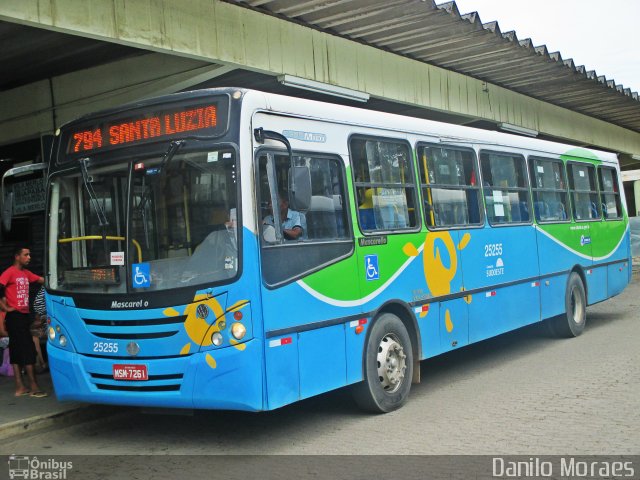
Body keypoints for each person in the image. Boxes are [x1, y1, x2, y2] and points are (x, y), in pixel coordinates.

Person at [0, 247, 47, 397]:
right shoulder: (9, 272)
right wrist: (5, 307)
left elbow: (42, 281)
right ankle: (33, 386)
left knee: (17, 350)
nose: (29, 257)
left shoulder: (26, 274)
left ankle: (20, 387)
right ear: (17, 256)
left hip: (24, 316)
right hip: (15, 317)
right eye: (26, 255)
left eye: (30, 255)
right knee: (27, 350)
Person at [31, 286, 48, 373]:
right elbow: (38, 320)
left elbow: (42, 319)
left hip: (52, 327)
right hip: (44, 327)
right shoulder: (42, 293)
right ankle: (41, 363)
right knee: (34, 336)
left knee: (34, 336)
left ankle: (41, 363)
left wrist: (40, 322)